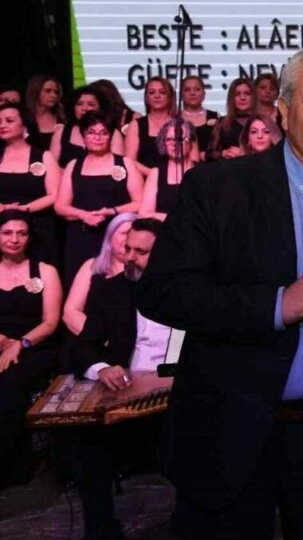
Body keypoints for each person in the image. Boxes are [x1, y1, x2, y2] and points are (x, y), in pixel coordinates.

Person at [137, 46, 303, 539]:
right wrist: (277, 305)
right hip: (228, 435)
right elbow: (163, 291)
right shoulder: (217, 187)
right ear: (283, 111)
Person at [66, 218, 167, 540]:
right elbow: (81, 347)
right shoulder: (110, 291)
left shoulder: (189, 290)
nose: (130, 257)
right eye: (128, 248)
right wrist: (102, 367)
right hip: (131, 395)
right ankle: (101, 531)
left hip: (182, 394)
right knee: (87, 444)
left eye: (141, 252)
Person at [0, 210, 62, 482]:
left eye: (21, 233)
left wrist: (19, 344)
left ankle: (10, 467)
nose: (14, 239)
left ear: (30, 237)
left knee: (7, 382)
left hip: (34, 345)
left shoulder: (45, 271)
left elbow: (50, 322)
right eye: (7, 232)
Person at [54, 111, 143, 282]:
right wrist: (84, 215)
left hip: (117, 237)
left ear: (111, 136)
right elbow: (60, 206)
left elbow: (139, 203)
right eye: (92, 132)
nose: (97, 137)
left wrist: (111, 211)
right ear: (83, 136)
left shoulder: (125, 163)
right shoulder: (74, 165)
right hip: (81, 236)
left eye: (103, 133)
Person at [0, 103, 60, 264]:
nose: (2, 125)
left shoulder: (44, 156)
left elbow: (54, 194)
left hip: (38, 228)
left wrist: (24, 208)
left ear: (25, 124)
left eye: (9, 120)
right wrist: (3, 208)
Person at [62, 212, 136, 336]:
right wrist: (99, 337)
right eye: (124, 233)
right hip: (89, 338)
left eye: (133, 234)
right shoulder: (91, 266)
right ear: (110, 237)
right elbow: (70, 312)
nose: (128, 239)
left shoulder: (146, 272)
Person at [49, 84, 125, 169]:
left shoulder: (114, 133)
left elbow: (118, 167)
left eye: (91, 104)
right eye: (79, 104)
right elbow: (51, 166)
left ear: (101, 107)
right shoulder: (61, 132)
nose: (84, 108)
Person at [140, 119, 197, 220]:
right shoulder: (156, 173)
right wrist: (175, 219)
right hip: (163, 227)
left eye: (181, 139)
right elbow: (145, 213)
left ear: (191, 143)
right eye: (170, 139)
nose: (175, 144)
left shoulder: (202, 172)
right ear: (163, 143)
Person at [124, 77, 176, 176]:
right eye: (152, 92)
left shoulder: (181, 125)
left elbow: (193, 160)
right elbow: (129, 160)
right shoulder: (136, 125)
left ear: (170, 97)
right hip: (144, 180)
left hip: (176, 180)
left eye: (162, 92)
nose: (157, 96)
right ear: (146, 98)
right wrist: (154, 175)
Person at [206, 77, 254, 161]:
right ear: (231, 98)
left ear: (253, 97)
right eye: (237, 94)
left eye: (247, 93)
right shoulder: (222, 122)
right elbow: (209, 155)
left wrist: (245, 153)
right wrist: (223, 153)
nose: (242, 97)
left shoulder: (261, 122)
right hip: (228, 166)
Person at [178, 75, 220, 157]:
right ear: (181, 94)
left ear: (204, 93)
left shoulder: (215, 116)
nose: (192, 93)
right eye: (187, 90)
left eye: (197, 89)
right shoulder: (175, 118)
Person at [25, 74, 64, 151]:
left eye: (56, 92)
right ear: (35, 91)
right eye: (48, 91)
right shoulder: (23, 117)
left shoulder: (62, 119)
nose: (53, 95)